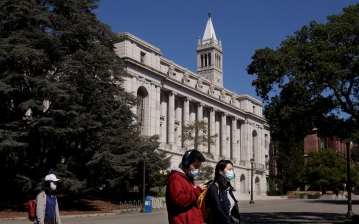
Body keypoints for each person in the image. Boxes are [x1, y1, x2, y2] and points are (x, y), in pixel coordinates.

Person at [166, 149, 207, 224]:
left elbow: (195, 207)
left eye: (198, 167)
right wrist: (197, 190)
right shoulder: (176, 178)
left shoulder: (189, 179)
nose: (197, 169)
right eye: (195, 166)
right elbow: (178, 201)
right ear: (186, 163)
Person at [205, 160, 240, 224]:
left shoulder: (228, 189)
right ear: (221, 172)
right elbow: (218, 209)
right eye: (229, 169)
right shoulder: (214, 187)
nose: (232, 172)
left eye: (232, 170)